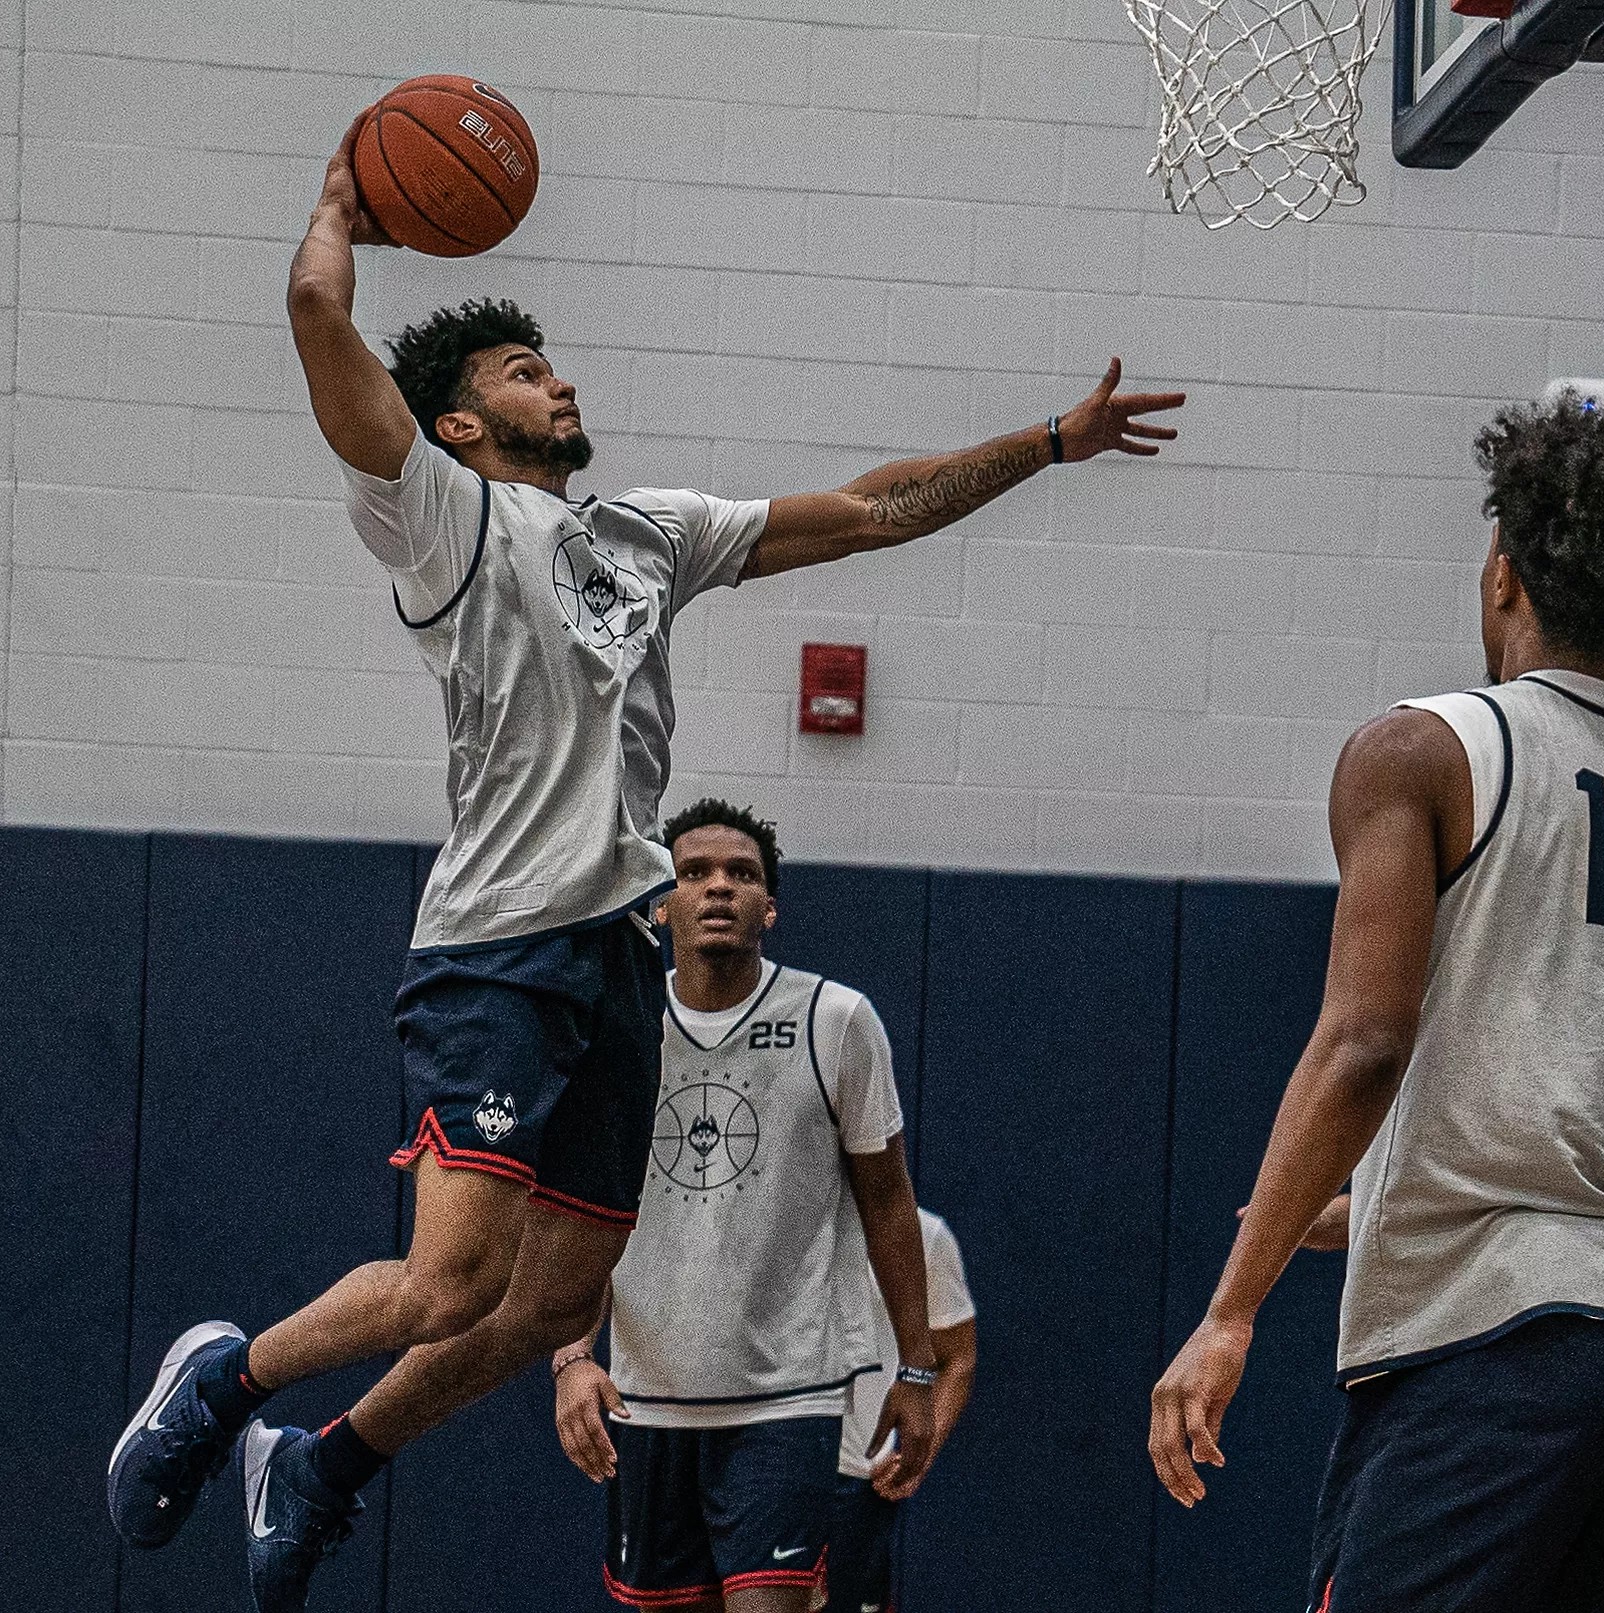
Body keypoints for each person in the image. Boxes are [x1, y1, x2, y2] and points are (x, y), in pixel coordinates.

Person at [105, 115, 1183, 1612]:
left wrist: (1048, 444)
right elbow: (312, 315)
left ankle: (324, 1462)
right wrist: (342, 201)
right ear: (465, 425)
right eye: (520, 370)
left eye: (553, 359)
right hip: (496, 942)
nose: (560, 378)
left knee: (551, 1295)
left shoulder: (646, 536)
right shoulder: (442, 515)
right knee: (443, 1282)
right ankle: (226, 1380)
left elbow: (873, 509)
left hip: (616, 952)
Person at [1149, 391, 1604, 1613]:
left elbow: (1364, 1043)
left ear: (1501, 572)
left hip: (1489, 1351)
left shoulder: (1421, 747)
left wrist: (1230, 1308)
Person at [548, 799, 939, 1611]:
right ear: (660, 902)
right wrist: (571, 1356)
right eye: (694, 872)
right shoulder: (619, 1025)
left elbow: (889, 1204)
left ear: (770, 906)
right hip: (647, 1396)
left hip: (787, 1402)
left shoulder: (836, 1021)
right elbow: (577, 1212)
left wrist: (914, 1366)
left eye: (742, 874)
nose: (718, 887)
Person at [826, 1207, 978, 1613]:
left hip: (856, 1480)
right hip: (760, 1459)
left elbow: (958, 1356)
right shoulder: (772, 1220)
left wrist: (918, 1455)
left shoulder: (923, 1234)